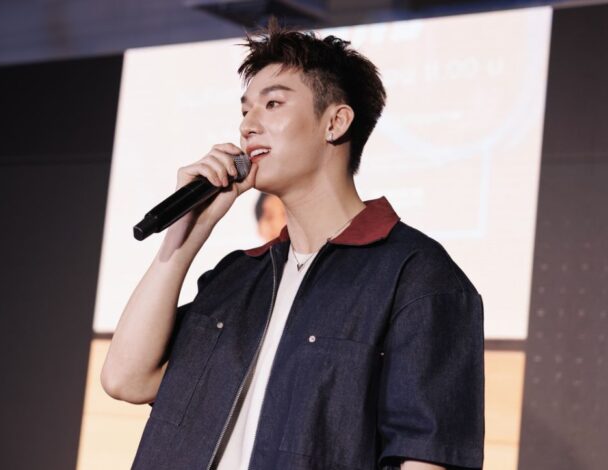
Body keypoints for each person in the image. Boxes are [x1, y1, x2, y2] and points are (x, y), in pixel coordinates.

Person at [101, 19, 484, 470]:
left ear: (335, 122)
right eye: (245, 110)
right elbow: (126, 379)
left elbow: (426, 455)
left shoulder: (416, 274)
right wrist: (185, 238)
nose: (248, 125)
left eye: (273, 104)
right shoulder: (238, 277)